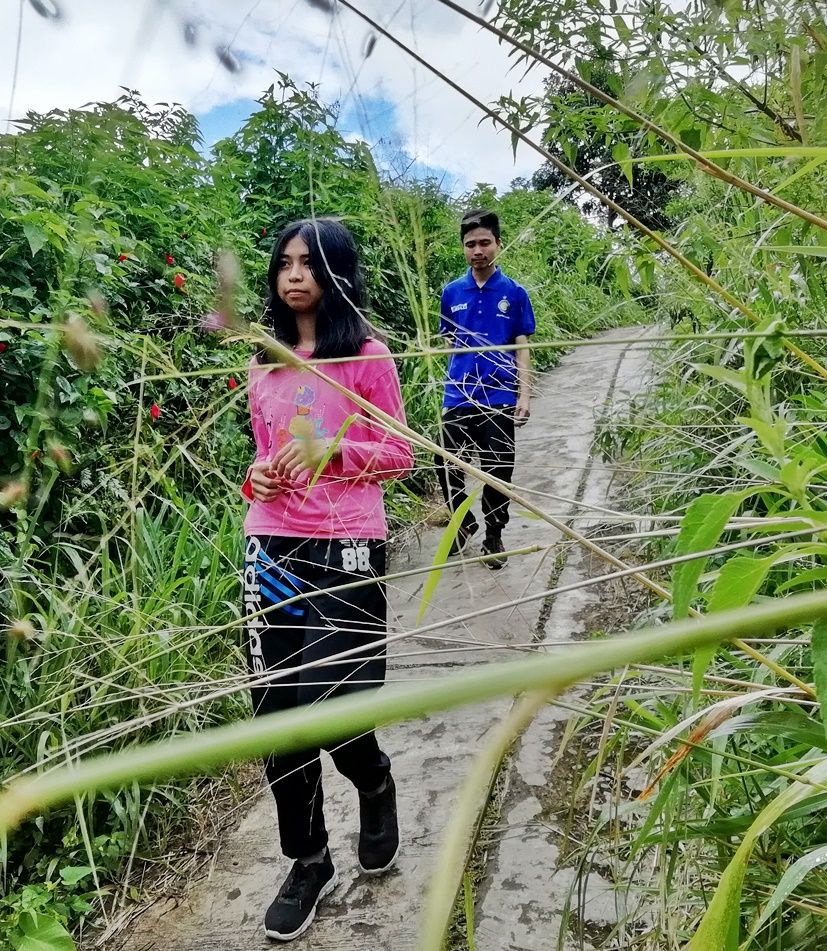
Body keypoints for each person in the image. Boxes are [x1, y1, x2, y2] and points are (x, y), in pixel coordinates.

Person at [240, 218, 413, 942]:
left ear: (337, 271)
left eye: (309, 264)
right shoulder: (263, 363)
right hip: (271, 548)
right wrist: (256, 475)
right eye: (284, 264)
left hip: (346, 546)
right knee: (278, 714)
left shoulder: (367, 357)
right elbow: (260, 456)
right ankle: (309, 858)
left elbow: (402, 452)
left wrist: (333, 454)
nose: (294, 275)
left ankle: (373, 780)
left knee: (333, 705)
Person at [437, 208, 535, 569]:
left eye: (484, 243)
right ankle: (463, 524)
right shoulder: (451, 292)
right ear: (463, 249)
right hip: (458, 395)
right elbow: (450, 341)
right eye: (470, 244)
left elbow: (521, 345)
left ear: (498, 244)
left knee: (499, 468)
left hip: (499, 396)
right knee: (444, 461)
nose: (477, 250)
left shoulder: (514, 293)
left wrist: (524, 394)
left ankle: (494, 534)